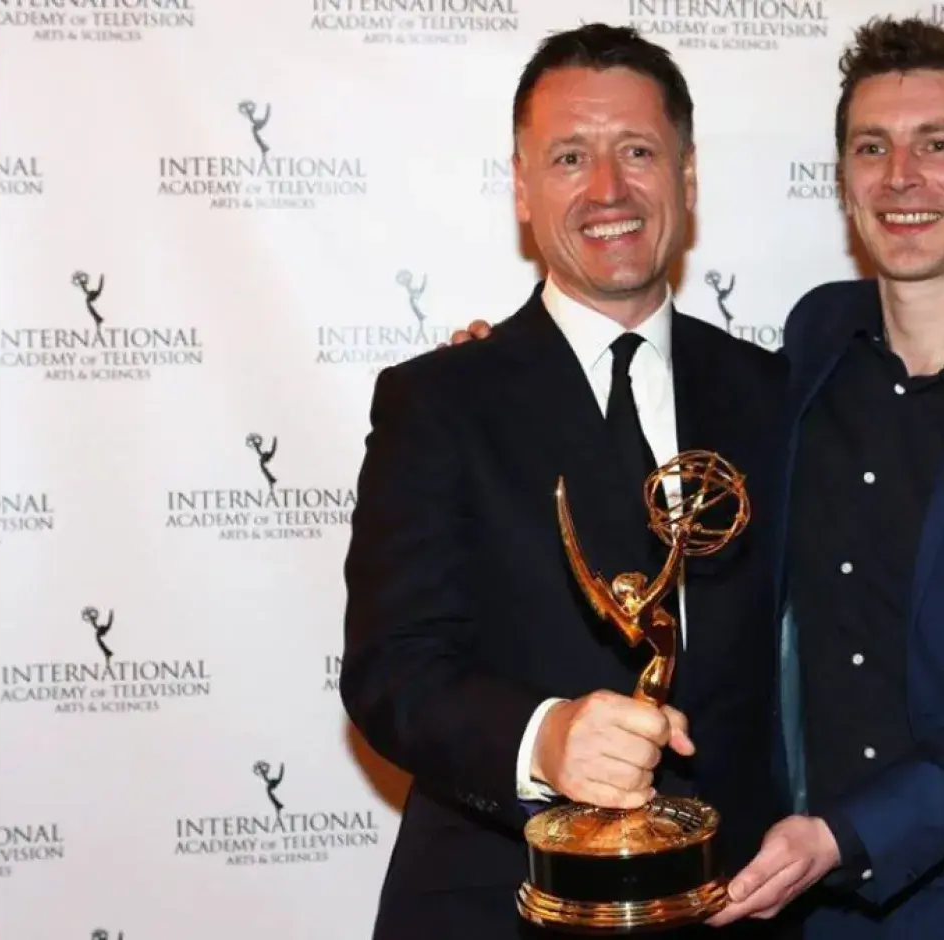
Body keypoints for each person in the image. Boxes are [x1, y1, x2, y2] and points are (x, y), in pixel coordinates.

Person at [447, 16, 944, 940]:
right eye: (872, 147)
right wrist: (510, 374)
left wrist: (845, 834)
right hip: (818, 905)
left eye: (938, 145)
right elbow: (659, 478)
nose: (901, 176)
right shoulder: (806, 352)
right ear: (845, 182)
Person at [340, 23, 795, 939]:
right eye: (569, 157)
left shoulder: (778, 396)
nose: (608, 189)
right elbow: (391, 671)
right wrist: (543, 737)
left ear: (687, 174)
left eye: (637, 151)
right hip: (499, 903)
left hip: (732, 903)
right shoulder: (438, 400)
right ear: (520, 186)